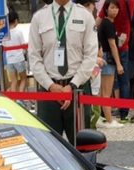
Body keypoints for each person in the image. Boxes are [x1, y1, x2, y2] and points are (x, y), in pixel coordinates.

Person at [28, 0, 99, 141]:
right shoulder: (39, 17)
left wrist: (72, 85)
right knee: (49, 146)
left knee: (82, 146)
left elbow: (90, 56)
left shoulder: (85, 16)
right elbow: (34, 57)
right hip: (48, 92)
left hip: (78, 91)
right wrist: (51, 86)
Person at [97, 0, 125, 125]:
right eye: (112, 7)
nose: (115, 10)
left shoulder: (105, 23)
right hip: (108, 59)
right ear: (106, 9)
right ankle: (109, 120)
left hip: (103, 58)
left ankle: (99, 117)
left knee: (101, 91)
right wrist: (119, 63)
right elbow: (112, 45)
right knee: (106, 92)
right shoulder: (108, 24)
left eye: (116, 8)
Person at [3, 10, 29, 91]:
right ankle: (20, 99)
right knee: (23, 79)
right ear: (16, 21)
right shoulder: (18, 32)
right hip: (19, 59)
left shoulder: (5, 33)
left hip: (9, 60)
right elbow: (24, 46)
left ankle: (14, 100)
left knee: (13, 81)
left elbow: (4, 45)